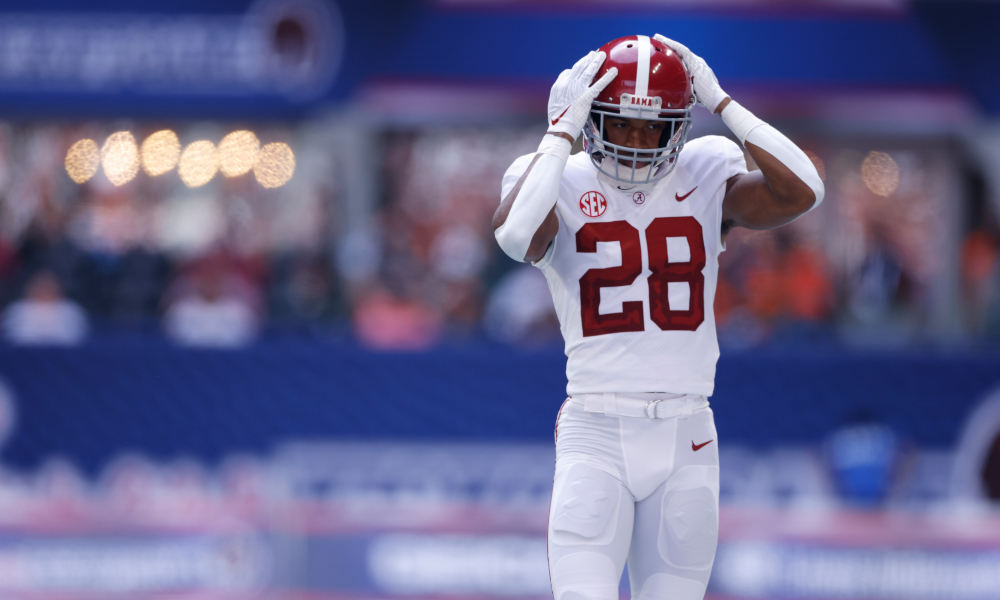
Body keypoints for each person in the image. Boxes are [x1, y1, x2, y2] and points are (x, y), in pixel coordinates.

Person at [492, 36, 823, 600]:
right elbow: (515, 235)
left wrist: (721, 102)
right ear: (591, 118)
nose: (638, 142)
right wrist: (557, 136)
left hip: (687, 431)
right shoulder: (553, 176)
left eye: (655, 127)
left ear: (681, 127)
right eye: (620, 124)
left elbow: (805, 191)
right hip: (596, 427)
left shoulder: (705, 171)